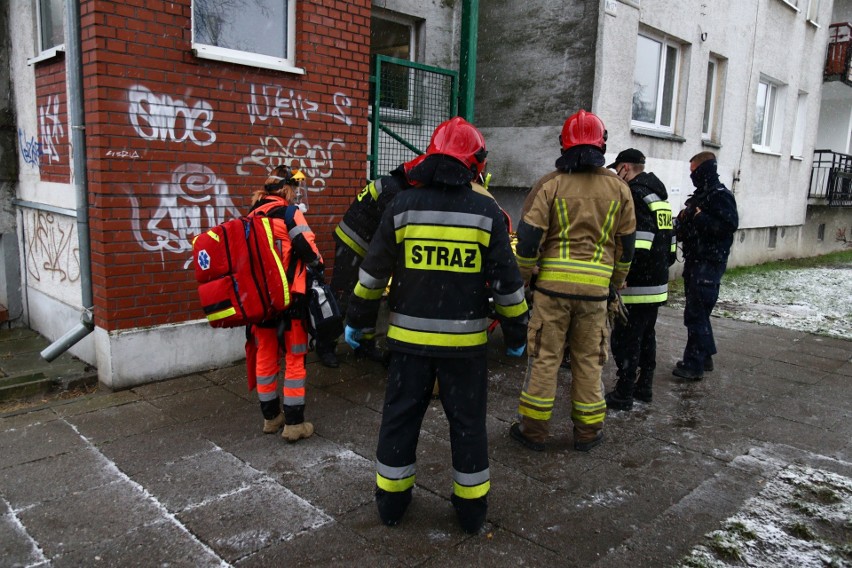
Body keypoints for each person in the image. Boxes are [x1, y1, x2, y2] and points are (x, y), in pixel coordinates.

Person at [344, 117, 528, 533]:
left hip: (408, 347)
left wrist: (357, 321)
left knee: (400, 420)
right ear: (474, 164)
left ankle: (391, 504)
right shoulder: (487, 212)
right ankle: (471, 511)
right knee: (467, 425)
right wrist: (517, 336)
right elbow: (508, 286)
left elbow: (372, 275)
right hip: (465, 348)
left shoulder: (403, 206)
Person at [509, 109, 636, 452]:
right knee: (588, 362)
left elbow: (529, 239)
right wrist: (618, 279)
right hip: (596, 295)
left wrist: (521, 280)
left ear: (563, 144)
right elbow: (626, 245)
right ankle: (588, 433)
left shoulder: (549, 184)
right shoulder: (620, 189)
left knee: (545, 358)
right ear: (602, 144)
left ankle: (533, 432)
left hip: (551, 291)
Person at [315, 156, 425, 368]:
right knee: (343, 297)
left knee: (369, 297)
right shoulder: (395, 192)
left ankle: (363, 344)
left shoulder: (394, 185)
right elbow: (392, 231)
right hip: (352, 243)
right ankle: (325, 345)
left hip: (362, 243)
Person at [248, 165, 324, 442]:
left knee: (266, 357)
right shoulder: (291, 214)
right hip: (292, 302)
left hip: (260, 303)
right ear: (287, 189)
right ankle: (294, 424)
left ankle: (271, 418)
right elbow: (310, 253)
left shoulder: (251, 216)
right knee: (295, 359)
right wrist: (318, 264)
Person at [603, 149, 675, 410]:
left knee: (625, 338)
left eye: (617, 171)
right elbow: (670, 240)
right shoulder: (658, 196)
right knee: (647, 335)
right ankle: (644, 386)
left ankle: (623, 392)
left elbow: (638, 240)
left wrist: (624, 275)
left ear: (625, 168)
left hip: (637, 282)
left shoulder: (633, 194)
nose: (616, 176)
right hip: (656, 281)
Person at [672, 151, 739, 380]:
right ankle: (705, 356)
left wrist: (699, 218)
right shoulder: (701, 196)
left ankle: (693, 365)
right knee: (698, 312)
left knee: (696, 314)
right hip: (695, 261)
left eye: (694, 172)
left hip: (708, 263)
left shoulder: (720, 195)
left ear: (704, 170)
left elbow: (727, 227)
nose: (691, 176)